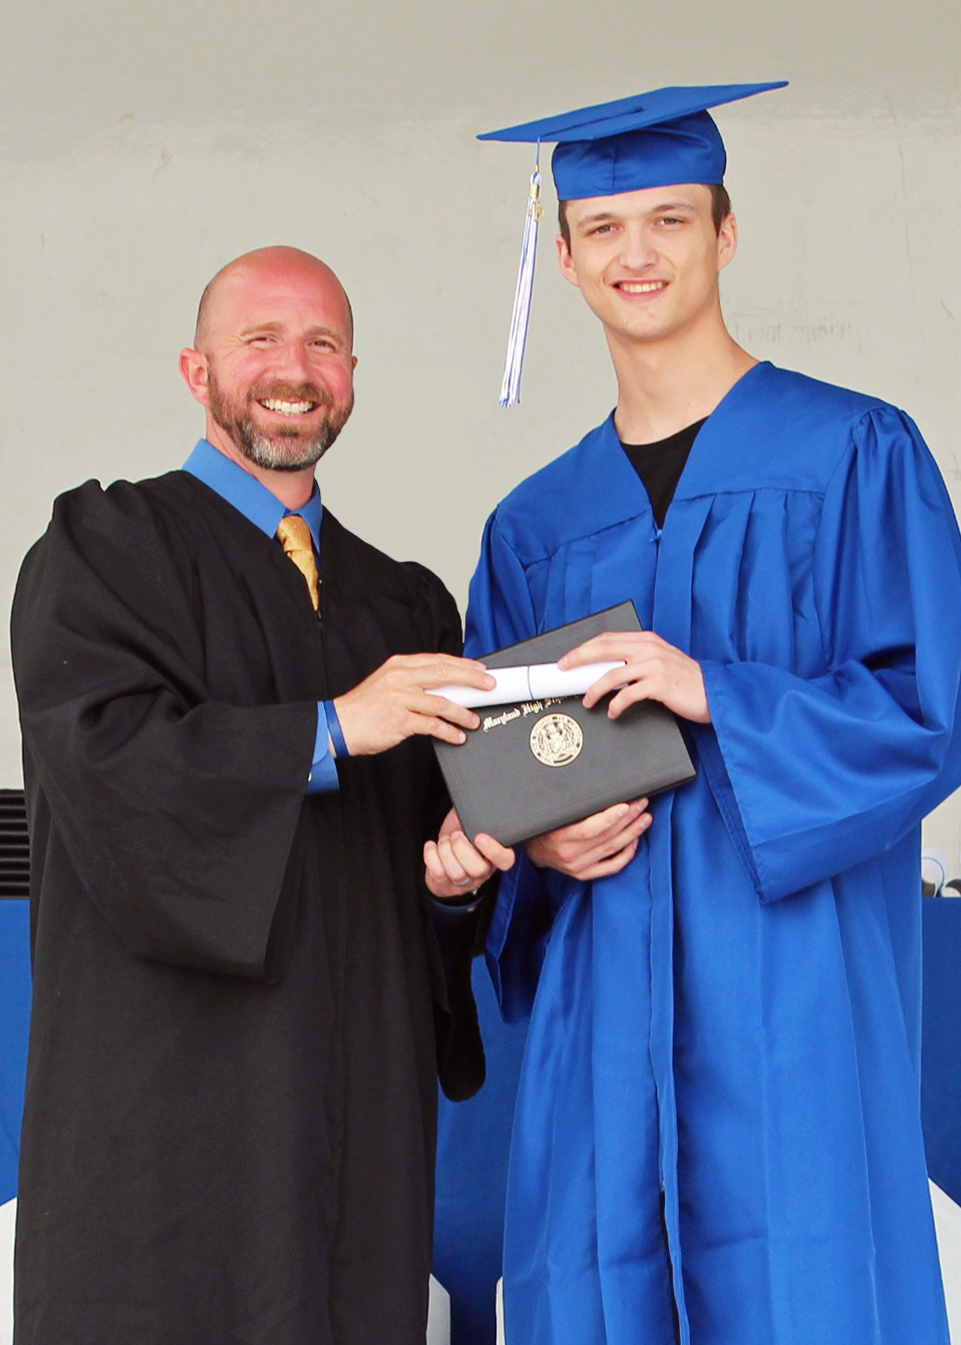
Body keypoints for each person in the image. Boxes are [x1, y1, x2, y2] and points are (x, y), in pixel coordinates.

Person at [462, 86, 961, 1344]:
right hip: (599, 1015)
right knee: (596, 1285)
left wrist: (714, 691)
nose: (638, 252)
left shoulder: (855, 454)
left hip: (791, 993)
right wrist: (537, 847)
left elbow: (930, 710)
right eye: (605, 225)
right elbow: (508, 772)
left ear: (724, 235)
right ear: (564, 255)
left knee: (801, 1289)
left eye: (670, 219)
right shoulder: (533, 524)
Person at [10, 244, 512, 1345]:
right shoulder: (105, 550)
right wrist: (332, 727)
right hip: (166, 1127)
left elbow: (425, 859)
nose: (297, 367)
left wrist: (451, 885)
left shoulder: (405, 605)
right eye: (262, 340)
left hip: (355, 1125)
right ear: (197, 371)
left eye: (324, 343)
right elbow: (104, 767)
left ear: (351, 375)